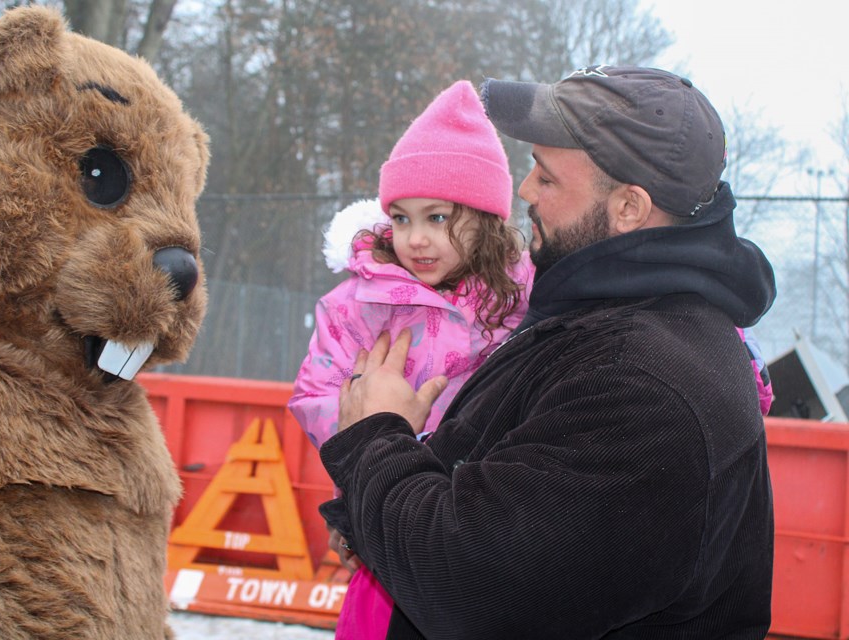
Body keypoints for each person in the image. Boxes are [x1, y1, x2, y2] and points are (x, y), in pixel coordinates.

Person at [317, 65, 777, 639]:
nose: (526, 190)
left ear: (629, 207)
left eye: (548, 176)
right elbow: (489, 477)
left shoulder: (644, 382)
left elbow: (471, 590)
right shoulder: (595, 322)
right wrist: (369, 511)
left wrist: (374, 442)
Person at [288, 80, 534, 639]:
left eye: (438, 218)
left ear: (486, 216)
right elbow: (317, 394)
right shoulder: (362, 300)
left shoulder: (526, 297)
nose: (416, 239)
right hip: (385, 509)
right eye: (400, 218)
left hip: (484, 519)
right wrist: (374, 450)